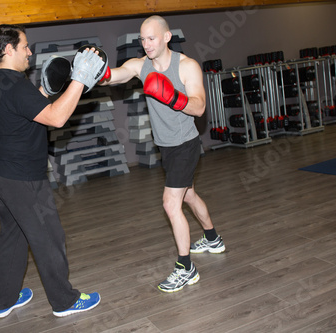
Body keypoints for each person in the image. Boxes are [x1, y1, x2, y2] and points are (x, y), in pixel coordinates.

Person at [0, 24, 105, 318]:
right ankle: (65, 301)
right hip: (21, 178)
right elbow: (57, 118)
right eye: (24, 46)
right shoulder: (15, 84)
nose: (29, 51)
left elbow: (26, 113)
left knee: (14, 236)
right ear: (9, 49)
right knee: (49, 236)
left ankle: (5, 299)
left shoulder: (3, 82)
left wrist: (45, 91)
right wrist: (79, 78)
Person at [100, 15, 225, 293]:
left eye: (152, 38)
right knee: (188, 194)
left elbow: (199, 107)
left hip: (186, 144)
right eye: (142, 39)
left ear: (167, 37)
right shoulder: (140, 66)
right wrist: (95, 73)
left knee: (171, 203)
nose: (146, 44)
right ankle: (213, 239)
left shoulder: (187, 66)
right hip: (165, 146)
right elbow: (114, 77)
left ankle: (186, 268)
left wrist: (172, 96)